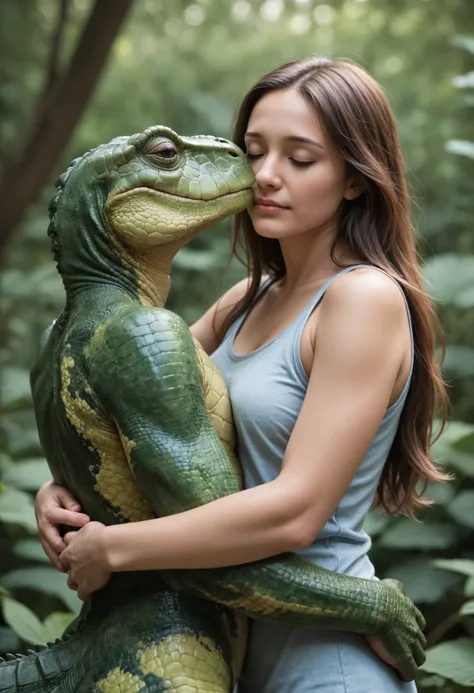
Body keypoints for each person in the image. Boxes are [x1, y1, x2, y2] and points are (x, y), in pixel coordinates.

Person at [35, 56, 449, 693]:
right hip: (228, 650)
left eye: (300, 159)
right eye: (254, 151)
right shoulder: (246, 299)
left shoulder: (362, 300)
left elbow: (295, 514)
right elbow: (118, 399)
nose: (266, 176)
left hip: (328, 658)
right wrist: (59, 490)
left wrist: (112, 548)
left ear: (355, 180)